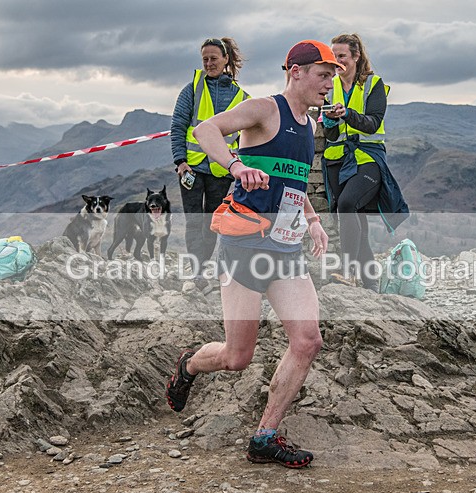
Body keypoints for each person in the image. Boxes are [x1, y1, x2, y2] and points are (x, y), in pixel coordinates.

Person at [165, 40, 340, 468]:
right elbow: (204, 129)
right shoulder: (265, 109)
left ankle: (264, 436)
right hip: (243, 245)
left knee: (308, 340)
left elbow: (294, 183)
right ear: (295, 72)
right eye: (323, 75)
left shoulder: (309, 125)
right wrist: (235, 166)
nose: (329, 85)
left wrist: (313, 221)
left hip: (284, 248)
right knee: (236, 357)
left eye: (333, 77)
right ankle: (189, 365)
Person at [321, 33, 408, 290]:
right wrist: (329, 123)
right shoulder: (330, 87)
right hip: (336, 160)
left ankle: (348, 271)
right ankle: (371, 285)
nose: (337, 62)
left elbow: (372, 123)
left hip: (367, 157)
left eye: (342, 56)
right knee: (355, 220)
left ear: (357, 56)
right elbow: (331, 134)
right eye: (333, 57)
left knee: (347, 205)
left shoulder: (374, 84)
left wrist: (347, 113)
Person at [171, 37, 249, 287]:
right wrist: (180, 161)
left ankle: (203, 268)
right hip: (191, 168)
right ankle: (196, 273)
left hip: (221, 170)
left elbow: (247, 137)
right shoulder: (192, 89)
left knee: (211, 223)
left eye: (214, 58)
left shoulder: (242, 97)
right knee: (194, 221)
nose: (208, 63)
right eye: (205, 59)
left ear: (226, 59)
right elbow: (178, 126)